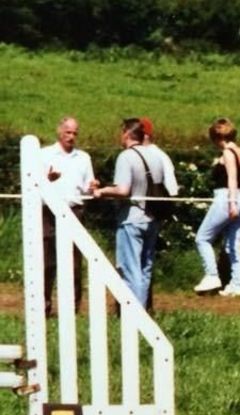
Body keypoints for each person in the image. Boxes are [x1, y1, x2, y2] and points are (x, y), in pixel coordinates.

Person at [92, 118, 166, 309]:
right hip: (152, 217)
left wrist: (102, 191)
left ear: (126, 133)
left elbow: (123, 190)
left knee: (130, 269)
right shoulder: (155, 157)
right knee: (145, 268)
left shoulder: (126, 157)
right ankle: (144, 311)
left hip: (131, 218)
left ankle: (134, 315)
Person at [39, 116, 98, 316]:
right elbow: (33, 185)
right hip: (49, 211)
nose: (71, 137)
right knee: (46, 261)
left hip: (74, 211)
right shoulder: (45, 154)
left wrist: (93, 187)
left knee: (73, 262)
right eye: (68, 132)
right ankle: (43, 305)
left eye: (74, 133)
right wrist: (47, 179)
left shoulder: (83, 158)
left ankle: (72, 308)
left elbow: (88, 188)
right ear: (59, 132)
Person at [193, 118, 240, 297]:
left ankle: (211, 275)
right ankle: (236, 285)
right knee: (234, 244)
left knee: (202, 238)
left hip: (226, 198)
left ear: (217, 138)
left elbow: (232, 178)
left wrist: (231, 203)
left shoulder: (227, 152)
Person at [140, 117, 179, 197]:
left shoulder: (159, 155)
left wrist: (172, 195)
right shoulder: (131, 154)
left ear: (146, 135)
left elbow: (170, 181)